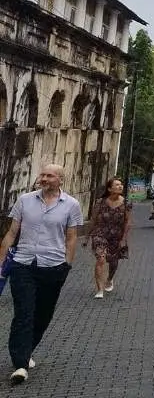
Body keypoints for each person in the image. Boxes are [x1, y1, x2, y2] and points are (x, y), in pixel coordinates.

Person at [0, 164, 82, 385]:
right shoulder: (24, 200)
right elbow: (11, 232)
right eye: (42, 174)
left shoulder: (71, 205)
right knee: (23, 313)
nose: (43, 178)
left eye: (49, 175)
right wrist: (1, 263)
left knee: (43, 315)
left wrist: (67, 264)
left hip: (53, 266)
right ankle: (20, 363)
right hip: (23, 264)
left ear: (60, 180)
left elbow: (72, 237)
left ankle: (27, 351)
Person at [83, 178, 131, 299]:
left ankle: (109, 279)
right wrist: (87, 237)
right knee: (101, 259)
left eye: (121, 184)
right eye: (117, 185)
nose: (120, 186)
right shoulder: (100, 202)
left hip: (116, 236)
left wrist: (123, 239)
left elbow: (127, 222)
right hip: (100, 234)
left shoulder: (126, 203)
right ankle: (100, 289)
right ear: (109, 189)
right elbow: (93, 220)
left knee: (113, 262)